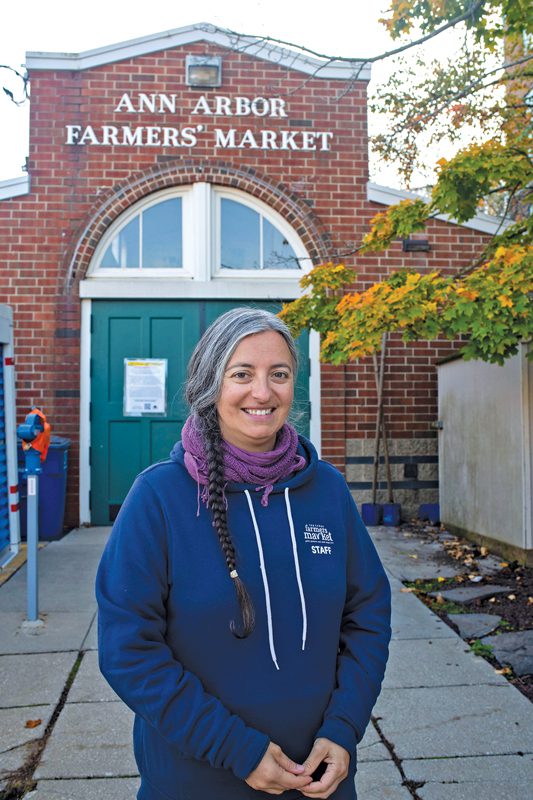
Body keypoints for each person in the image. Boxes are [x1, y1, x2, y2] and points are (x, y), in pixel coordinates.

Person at [96, 307, 391, 800]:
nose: (263, 392)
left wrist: (344, 729)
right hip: (196, 780)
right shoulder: (159, 498)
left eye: (279, 374)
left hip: (319, 778)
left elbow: (368, 617)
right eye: (242, 374)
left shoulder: (327, 492)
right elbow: (129, 651)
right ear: (210, 386)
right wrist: (238, 749)